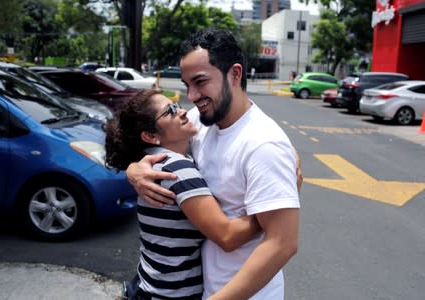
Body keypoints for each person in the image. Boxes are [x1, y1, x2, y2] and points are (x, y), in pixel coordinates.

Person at [126, 28, 301, 299]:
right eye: (187, 85)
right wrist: (134, 170)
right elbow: (161, 144)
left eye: (200, 82)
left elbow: (282, 243)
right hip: (204, 288)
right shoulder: (200, 122)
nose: (192, 96)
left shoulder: (264, 144)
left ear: (235, 74)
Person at [105, 89, 261, 299]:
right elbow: (227, 236)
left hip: (150, 286)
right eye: (170, 110)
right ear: (151, 136)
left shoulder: (156, 162)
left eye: (177, 105)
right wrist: (268, 214)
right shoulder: (176, 169)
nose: (182, 111)